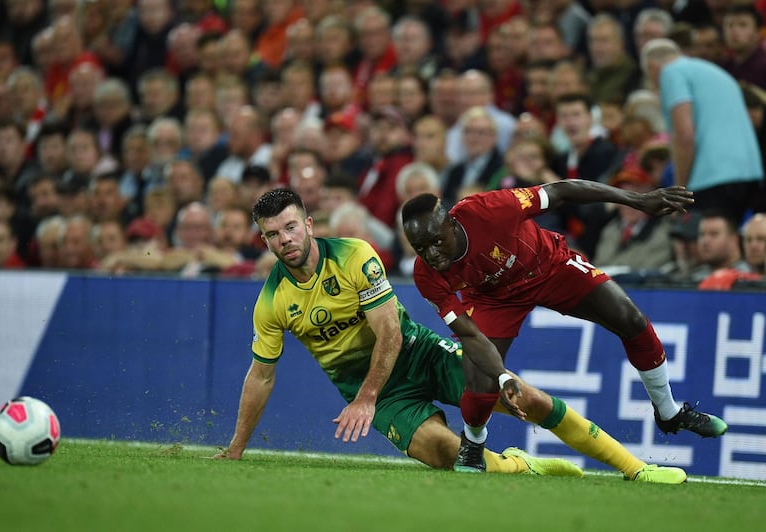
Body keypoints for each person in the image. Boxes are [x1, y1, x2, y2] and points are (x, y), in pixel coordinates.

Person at [214, 188, 687, 484]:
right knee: (445, 453)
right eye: (272, 234)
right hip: (382, 395)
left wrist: (366, 398)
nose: (285, 240)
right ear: (264, 240)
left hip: (416, 354)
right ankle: (522, 466)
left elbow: (391, 332)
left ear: (308, 224)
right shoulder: (272, 302)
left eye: (290, 227)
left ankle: (636, 468)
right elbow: (261, 376)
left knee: (529, 400)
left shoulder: (356, 255)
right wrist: (236, 448)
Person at [401, 179, 728, 474]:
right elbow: (470, 334)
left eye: (435, 241)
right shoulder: (426, 275)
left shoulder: (491, 209)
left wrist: (636, 200)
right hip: (493, 298)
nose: (431, 253)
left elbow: (561, 191)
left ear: (451, 224)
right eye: (420, 248)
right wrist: (502, 376)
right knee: (477, 376)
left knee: (632, 321)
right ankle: (472, 445)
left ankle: (669, 412)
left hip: (549, 266)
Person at [640, 38, 763, 224]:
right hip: (750, 173)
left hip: (712, 176)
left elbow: (684, 136)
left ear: (651, 67)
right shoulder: (716, 72)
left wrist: (678, 192)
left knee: (706, 244)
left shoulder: (670, 72)